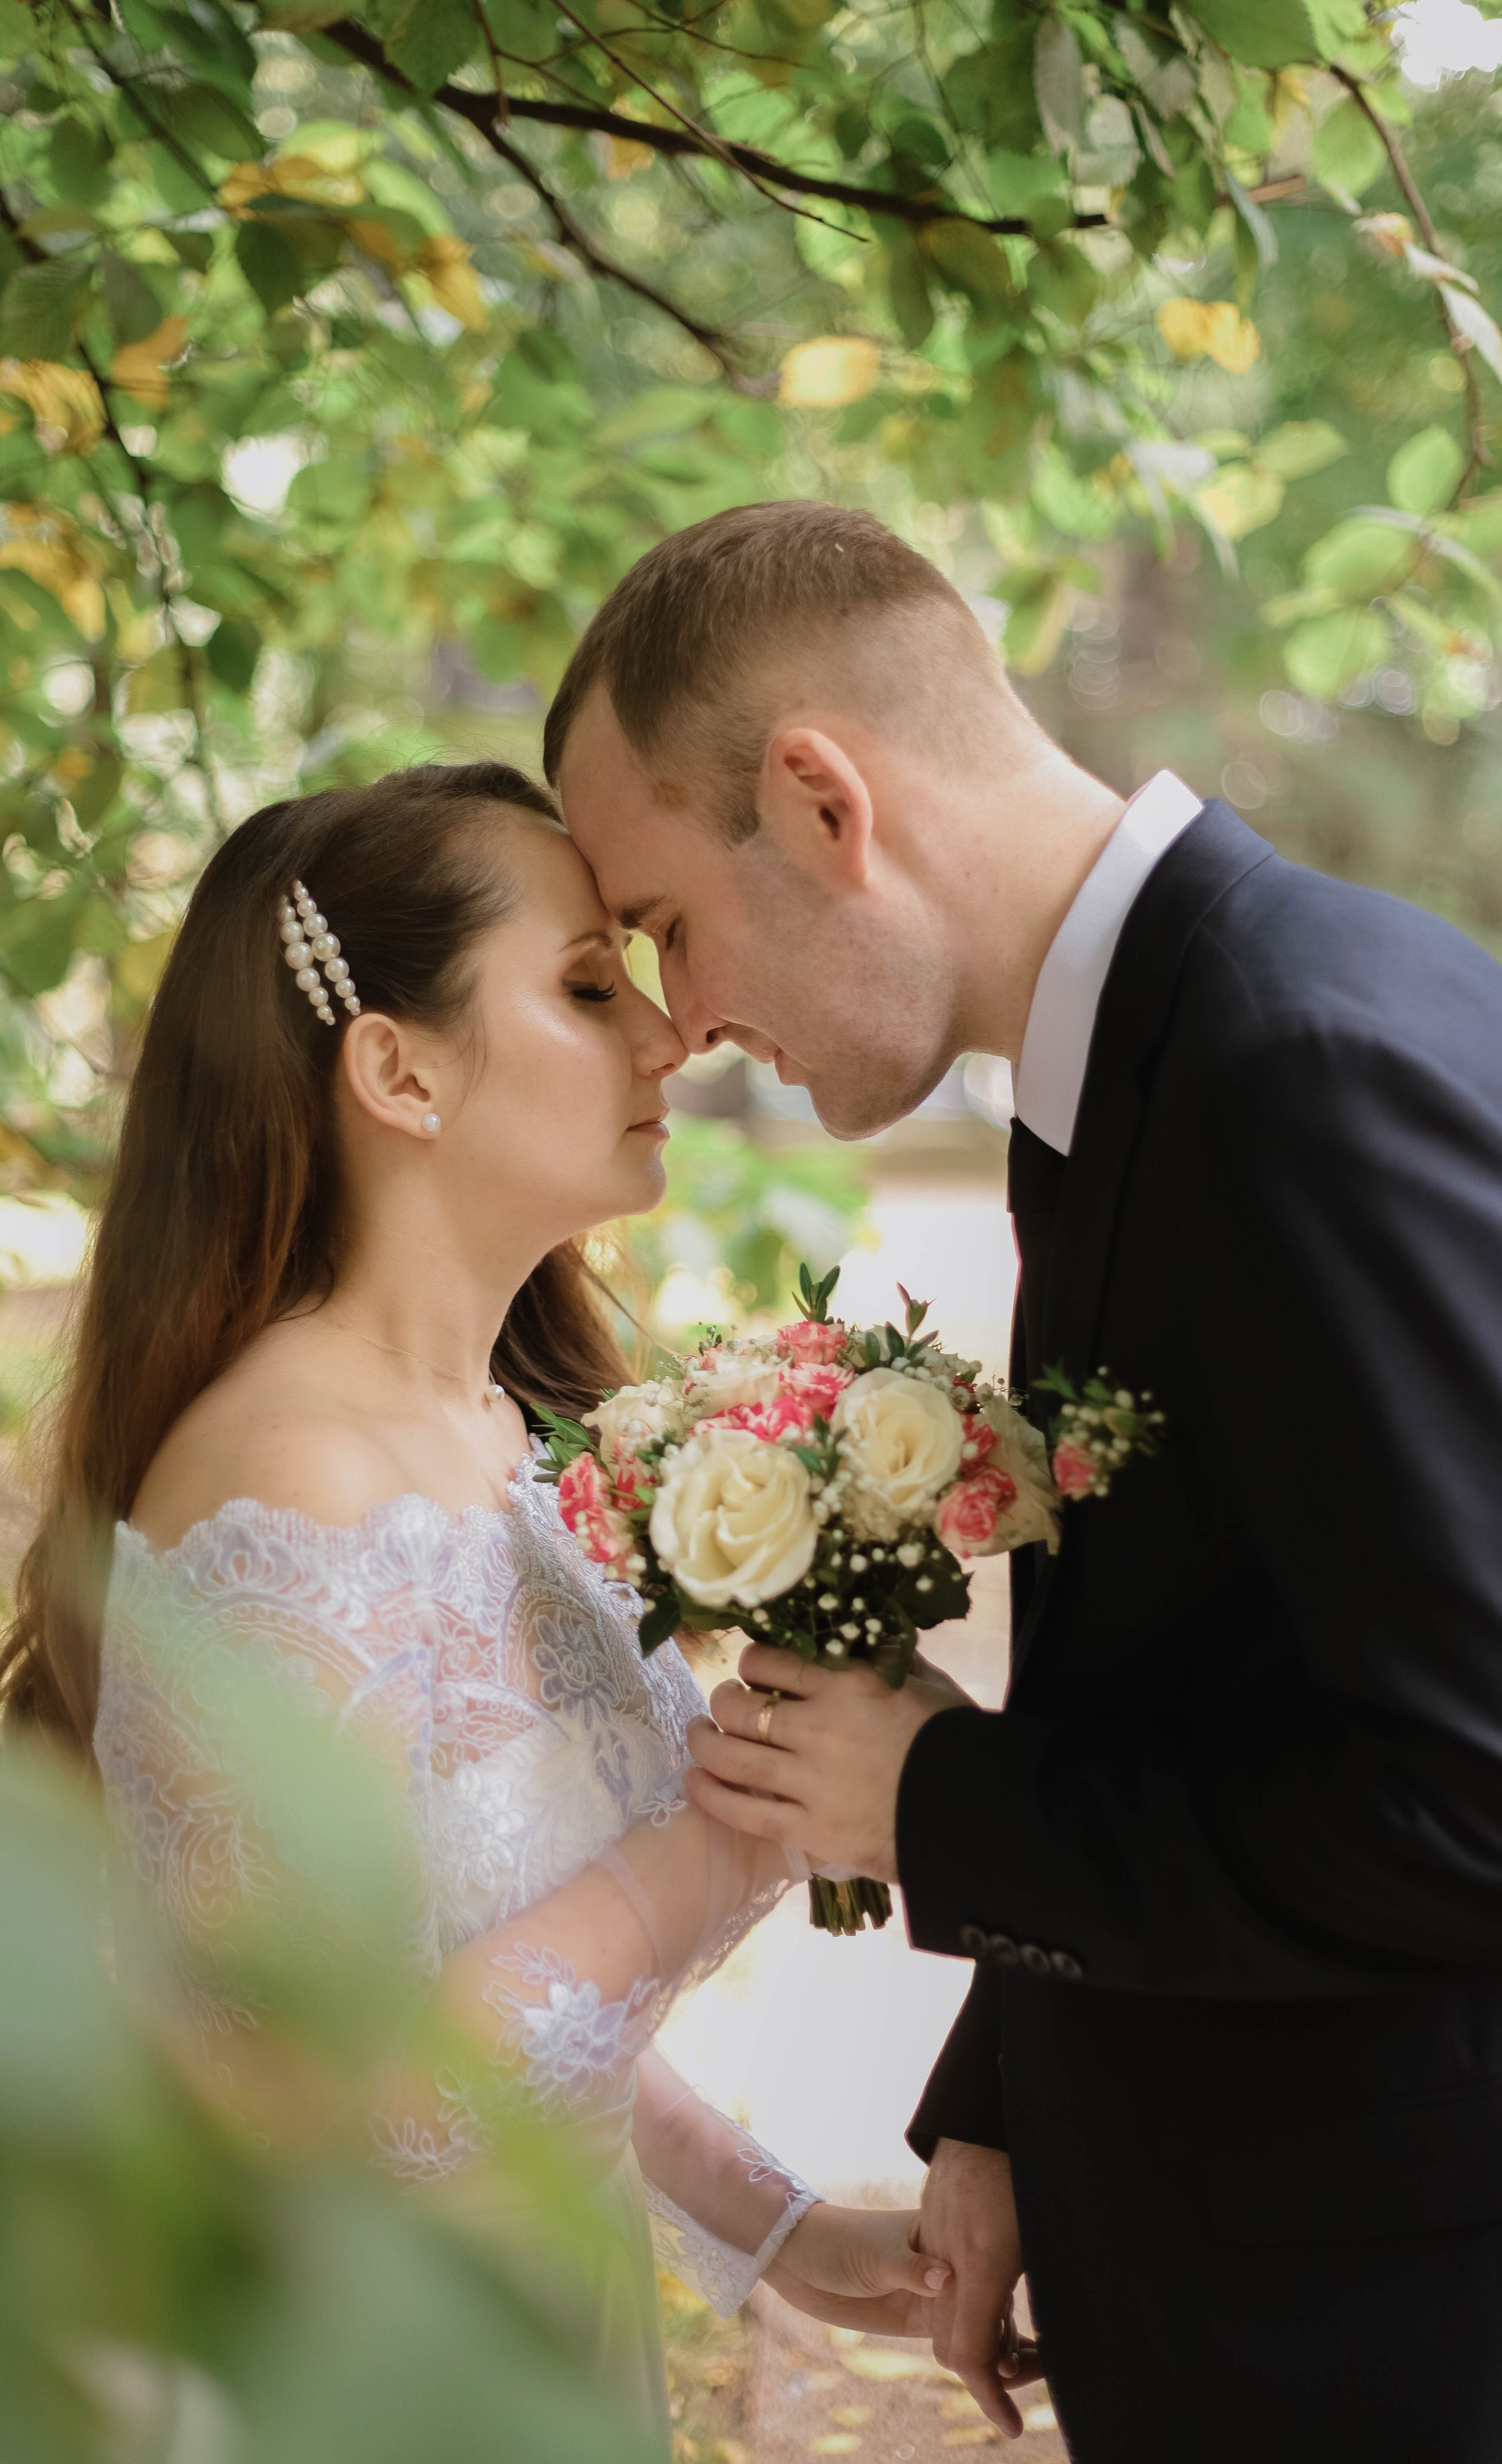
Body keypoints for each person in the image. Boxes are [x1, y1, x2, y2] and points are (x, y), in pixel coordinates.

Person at [545, 502, 1502, 2461]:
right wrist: (1004, 2087)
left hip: (1390, 2336)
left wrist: (933, 1801)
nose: (683, 1019)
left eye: (661, 926)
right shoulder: (1131, 1065)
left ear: (823, 803)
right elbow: (1201, 1673)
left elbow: (1472, 1796)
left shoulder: (1292, 1071)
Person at [0, 761, 949, 2431]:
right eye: (590, 987)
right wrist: (727, 1834)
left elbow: (516, 2009)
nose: (668, 1038)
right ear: (397, 1070)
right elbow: (351, 2101)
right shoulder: (284, 1491)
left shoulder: (511, 1436)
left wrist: (783, 2226)